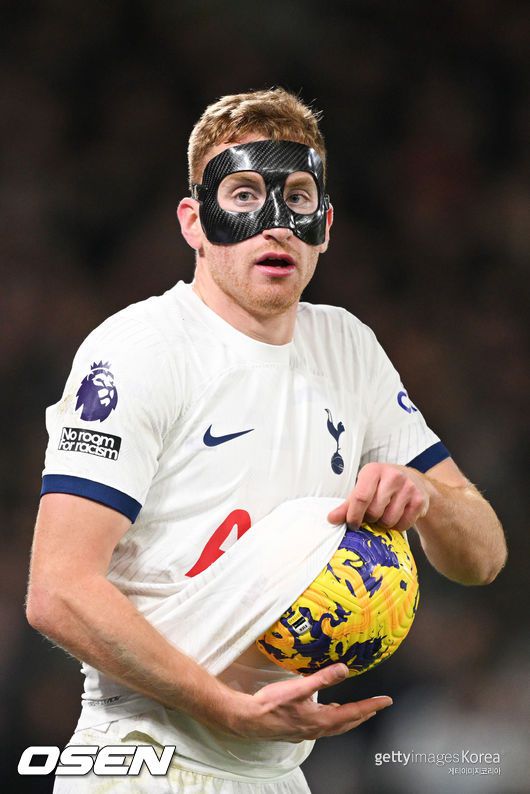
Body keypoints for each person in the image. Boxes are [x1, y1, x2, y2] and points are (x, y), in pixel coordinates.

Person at [26, 88, 507, 793]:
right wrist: (223, 708)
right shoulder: (139, 351)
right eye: (245, 195)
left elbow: (484, 557)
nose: (276, 224)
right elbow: (57, 591)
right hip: (147, 759)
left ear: (326, 225)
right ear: (194, 221)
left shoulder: (347, 346)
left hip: (276, 770)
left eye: (298, 198)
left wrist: (426, 495)